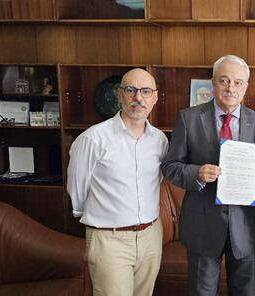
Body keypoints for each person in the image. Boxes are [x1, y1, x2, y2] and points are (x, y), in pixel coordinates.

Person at [161, 54, 255, 296]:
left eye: (238, 82)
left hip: (245, 227)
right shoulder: (188, 119)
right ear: (213, 83)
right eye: (224, 80)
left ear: (245, 87)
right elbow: (170, 166)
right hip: (202, 225)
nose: (231, 88)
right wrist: (195, 172)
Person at [67, 68, 168, 296]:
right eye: (131, 90)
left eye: (145, 91)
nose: (138, 98)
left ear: (155, 97)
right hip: (109, 239)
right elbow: (77, 187)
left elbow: (158, 181)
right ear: (119, 94)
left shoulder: (160, 140)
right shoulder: (92, 139)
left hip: (151, 236)